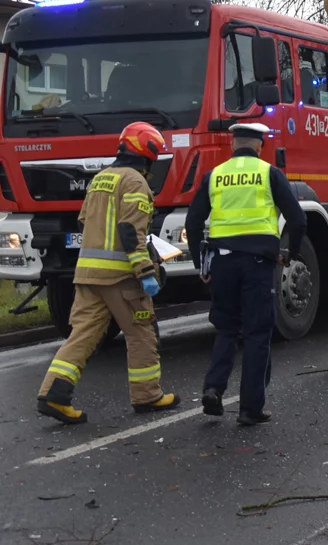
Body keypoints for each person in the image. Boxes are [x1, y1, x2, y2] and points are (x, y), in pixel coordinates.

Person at [36, 122, 179, 424]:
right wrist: (146, 272)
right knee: (141, 334)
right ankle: (148, 395)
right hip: (122, 278)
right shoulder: (135, 182)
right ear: (148, 154)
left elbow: (82, 223)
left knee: (82, 335)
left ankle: (53, 394)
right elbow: (130, 231)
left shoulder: (100, 179)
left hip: (87, 275)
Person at [185, 122, 307, 426]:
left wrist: (202, 263)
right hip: (257, 264)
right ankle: (250, 408)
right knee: (256, 332)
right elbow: (298, 218)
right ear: (259, 146)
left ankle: (213, 388)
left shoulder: (214, 175)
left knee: (226, 327)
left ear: (232, 145)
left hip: (222, 263)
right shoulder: (269, 173)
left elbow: (193, 220)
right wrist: (288, 251)